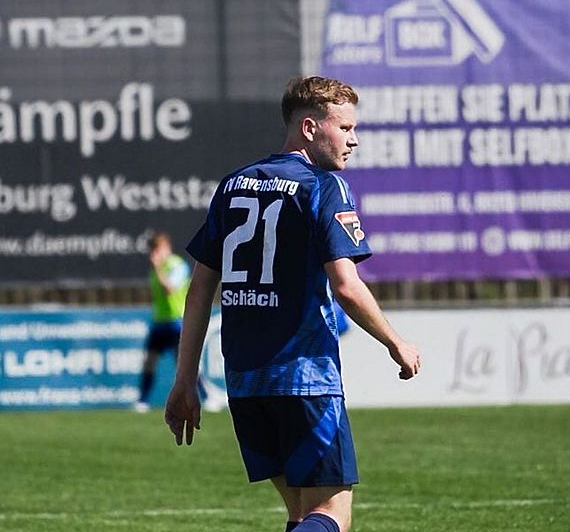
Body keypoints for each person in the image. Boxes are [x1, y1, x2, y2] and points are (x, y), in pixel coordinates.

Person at [164, 76, 421, 532]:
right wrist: (395, 341)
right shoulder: (324, 186)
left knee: (301, 512)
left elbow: (201, 287)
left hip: (245, 382)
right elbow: (346, 285)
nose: (354, 140)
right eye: (345, 128)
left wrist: (184, 379)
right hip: (304, 377)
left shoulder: (233, 185)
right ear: (309, 127)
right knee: (331, 513)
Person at [135, 232, 219, 413]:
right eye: (152, 249)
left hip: (176, 323)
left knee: (185, 364)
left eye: (157, 249)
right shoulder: (154, 270)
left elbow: (169, 289)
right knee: (149, 362)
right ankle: (142, 400)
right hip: (159, 322)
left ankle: (207, 396)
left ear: (166, 248)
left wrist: (158, 269)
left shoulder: (177, 266)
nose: (154, 253)